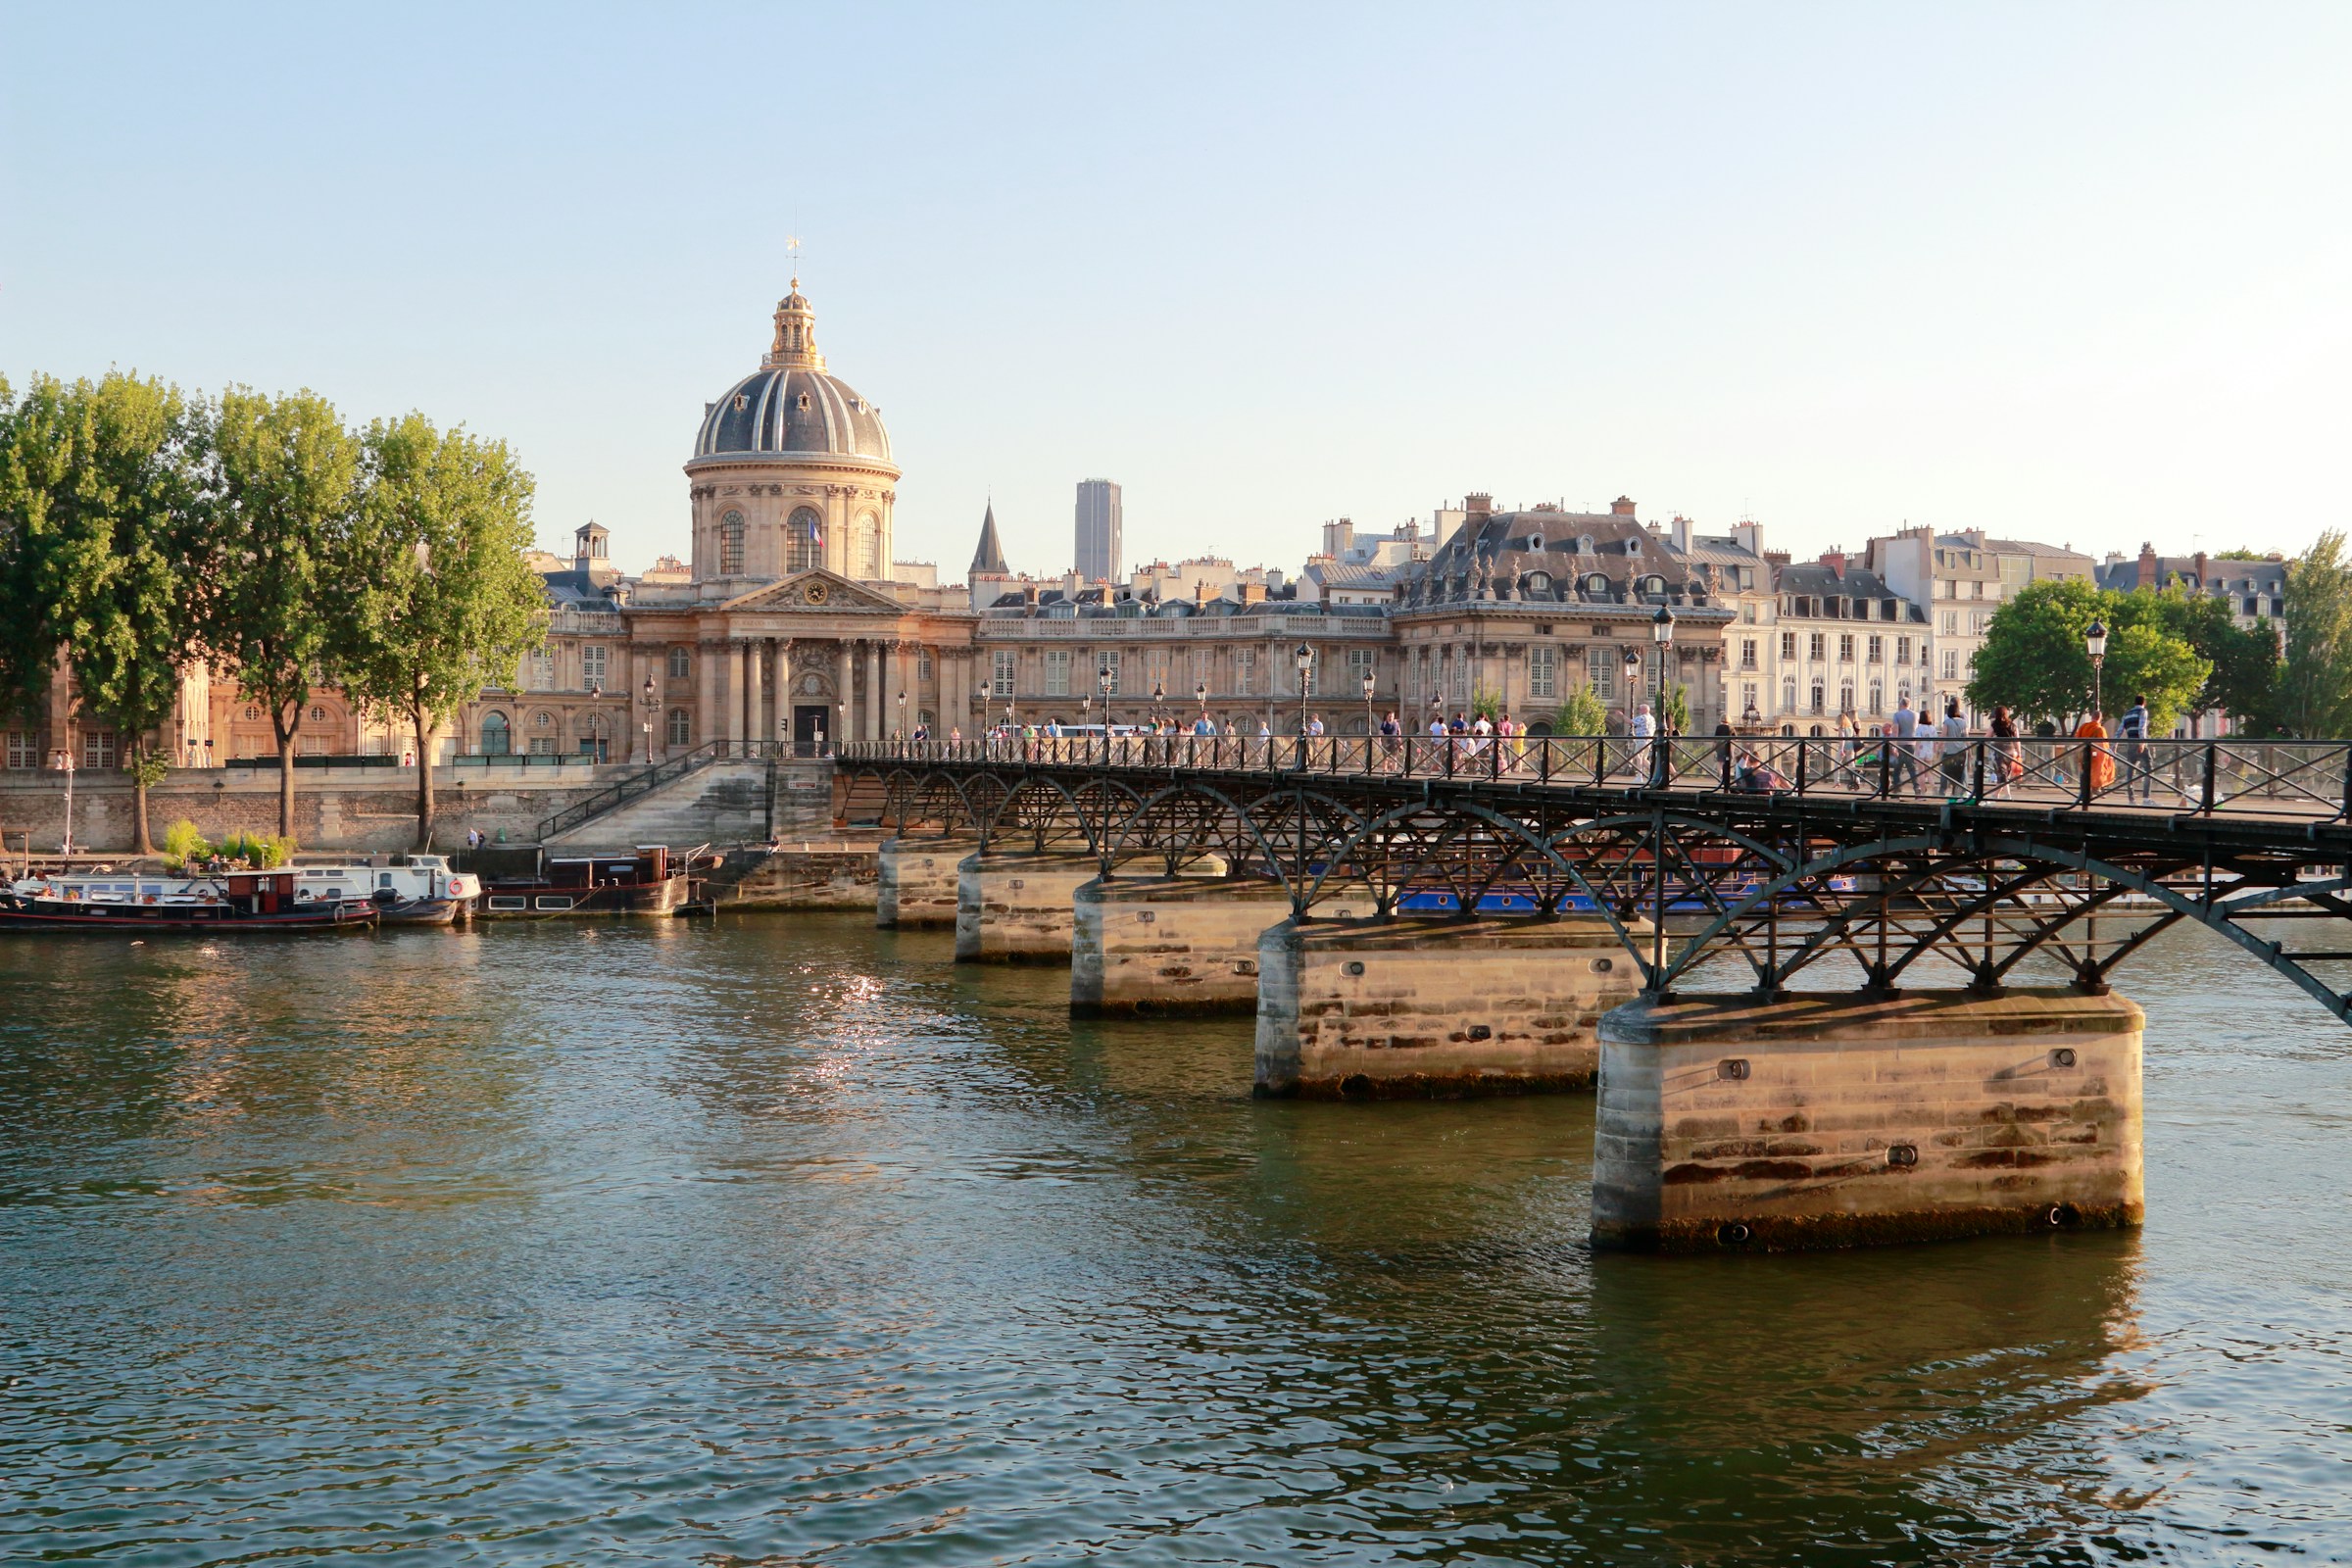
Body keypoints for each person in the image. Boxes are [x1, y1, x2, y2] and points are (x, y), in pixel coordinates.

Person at [2118, 693, 2154, 804]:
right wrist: (2142, 743)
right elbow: (2141, 727)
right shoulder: (2143, 711)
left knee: (2130, 770)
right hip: (2139, 743)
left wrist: (2114, 745)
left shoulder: (2127, 713)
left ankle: (2131, 799)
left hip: (2130, 744)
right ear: (2144, 702)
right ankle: (2146, 798)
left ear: (2135, 702)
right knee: (2149, 769)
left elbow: (2119, 730)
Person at [2075, 710, 2116, 796]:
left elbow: (2077, 739)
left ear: (2092, 717)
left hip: (2083, 754)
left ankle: (2086, 791)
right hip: (2095, 756)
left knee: (2085, 772)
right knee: (2099, 770)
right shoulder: (2100, 729)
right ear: (2100, 718)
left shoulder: (2084, 726)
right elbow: (2104, 746)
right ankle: (2096, 788)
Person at [1889, 697, 1922, 795]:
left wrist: (1894, 746)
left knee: (1897, 768)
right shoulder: (1916, 715)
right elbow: (1918, 730)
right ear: (1909, 704)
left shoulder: (1897, 715)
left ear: (1901, 704)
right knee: (1911, 767)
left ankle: (1897, 789)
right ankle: (1917, 787)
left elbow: (1895, 731)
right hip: (1912, 743)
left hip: (1901, 744)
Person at [1989, 705, 2023, 798]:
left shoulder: (1995, 725)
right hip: (2011, 752)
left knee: (2002, 774)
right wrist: (2019, 753)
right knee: (2004, 774)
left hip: (1999, 752)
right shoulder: (2013, 725)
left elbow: (1987, 737)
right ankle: (1996, 794)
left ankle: (2007, 795)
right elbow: (2017, 740)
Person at [1937, 700, 1970, 797]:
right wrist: (1970, 751)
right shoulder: (1964, 723)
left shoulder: (1947, 722)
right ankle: (1960, 791)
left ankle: (1942, 791)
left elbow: (1943, 736)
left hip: (1950, 751)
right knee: (1962, 771)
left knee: (1945, 771)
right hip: (1962, 750)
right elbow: (1966, 737)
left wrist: (1938, 748)